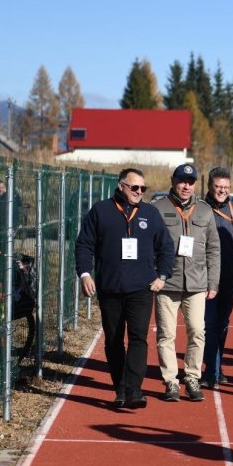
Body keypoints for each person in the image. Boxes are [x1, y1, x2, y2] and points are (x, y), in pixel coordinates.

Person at [75, 168, 174, 410]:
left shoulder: (150, 213)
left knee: (139, 338)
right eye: (135, 187)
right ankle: (120, 387)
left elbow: (166, 247)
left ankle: (134, 390)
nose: (139, 192)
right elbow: (84, 245)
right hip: (110, 289)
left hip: (141, 288)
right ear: (121, 186)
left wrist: (162, 276)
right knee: (113, 341)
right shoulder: (101, 211)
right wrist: (85, 274)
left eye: (143, 188)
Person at [152, 163, 221, 402]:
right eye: (182, 181)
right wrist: (154, 275)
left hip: (196, 284)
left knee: (197, 332)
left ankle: (191, 376)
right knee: (166, 335)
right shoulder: (158, 208)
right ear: (173, 180)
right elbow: (149, 245)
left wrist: (213, 283)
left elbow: (214, 248)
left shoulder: (204, 211)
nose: (186, 186)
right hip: (167, 284)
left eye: (191, 183)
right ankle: (171, 381)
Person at [201, 167, 233, 389]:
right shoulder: (200, 208)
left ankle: (215, 367)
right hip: (204, 277)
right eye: (218, 187)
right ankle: (210, 370)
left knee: (222, 324)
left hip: (230, 278)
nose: (222, 191)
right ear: (210, 187)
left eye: (226, 187)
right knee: (208, 325)